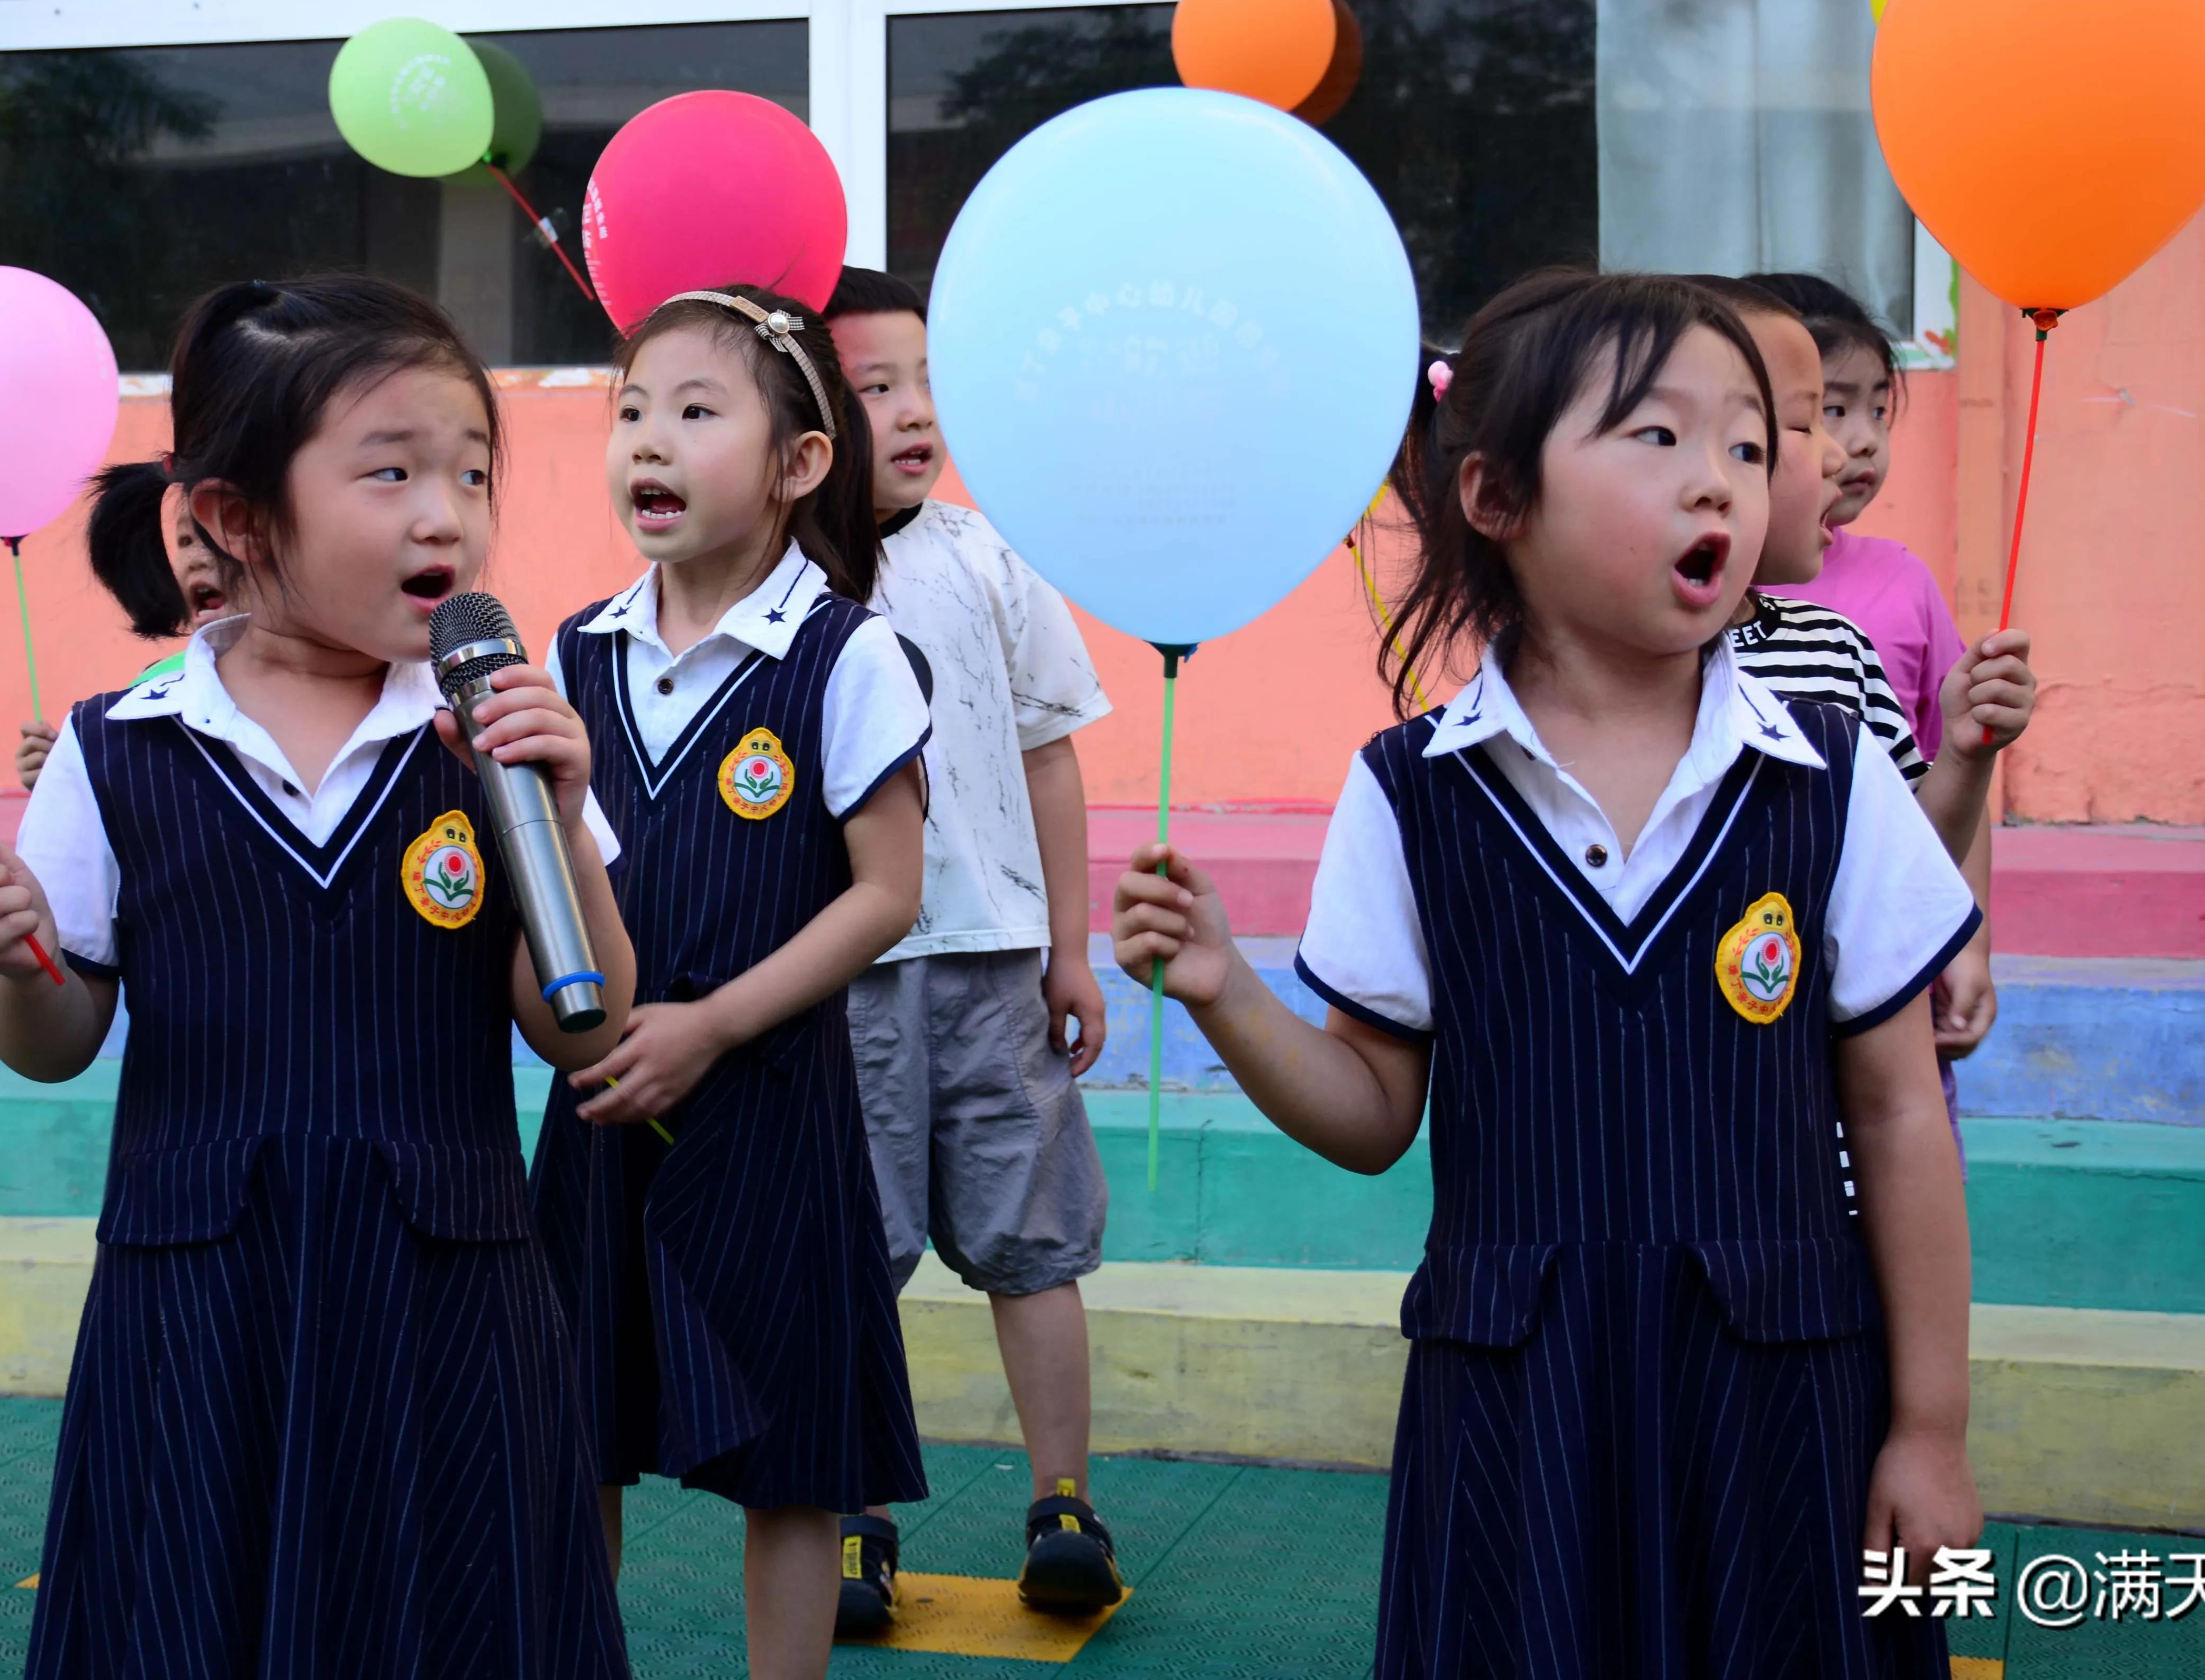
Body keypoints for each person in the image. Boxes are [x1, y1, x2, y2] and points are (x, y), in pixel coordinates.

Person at [1113, 271, 1981, 1676]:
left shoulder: (1828, 774)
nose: (1720, 483)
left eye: (1747, 448)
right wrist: (1223, 987)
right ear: (1498, 500)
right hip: (1515, 1407)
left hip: (1788, 1395)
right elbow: (1370, 1109)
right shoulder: (1411, 794)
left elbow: (1895, 1113)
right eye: (1658, 438)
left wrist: (1929, 1427)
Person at [0, 277, 633, 1679]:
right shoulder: (119, 746)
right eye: (393, 472)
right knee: (193, 1613)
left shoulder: (492, 733)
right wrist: (15, 961)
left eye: (472, 473)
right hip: (202, 1304)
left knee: (448, 1616)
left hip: (446, 1294)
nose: (449, 514)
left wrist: (558, 811)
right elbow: (57, 1038)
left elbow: (580, 1022)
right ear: (238, 520)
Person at [533, 286, 930, 1680]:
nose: (649, 440)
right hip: (598, 1102)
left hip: (768, 1101)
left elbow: (889, 888)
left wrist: (714, 1023)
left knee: (793, 1451)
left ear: (800, 462)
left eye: (697, 412)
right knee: (574, 1422)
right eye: (632, 410)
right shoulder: (567, 654)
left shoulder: (846, 652)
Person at [821, 268, 1118, 1629]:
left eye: (925, 382)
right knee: (846, 1251)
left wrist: (1070, 940)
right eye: (874, 388)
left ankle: (1064, 1502)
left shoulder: (987, 556)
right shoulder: (775, 581)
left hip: (997, 958)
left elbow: (1048, 751)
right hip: (840, 976)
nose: (913, 412)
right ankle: (849, 1515)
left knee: (1032, 1238)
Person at [1745, 273, 2016, 1111]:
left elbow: (1938, 792)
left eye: (1875, 411)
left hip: (1874, 971)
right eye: (1825, 411)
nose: (1855, 443)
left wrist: (1964, 939)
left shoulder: (1900, 584)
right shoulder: (1679, 610)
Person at [14, 476, 238, 790]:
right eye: (185, 541)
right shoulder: (150, 689)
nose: (199, 559)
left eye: (221, 536)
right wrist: (69, 778)